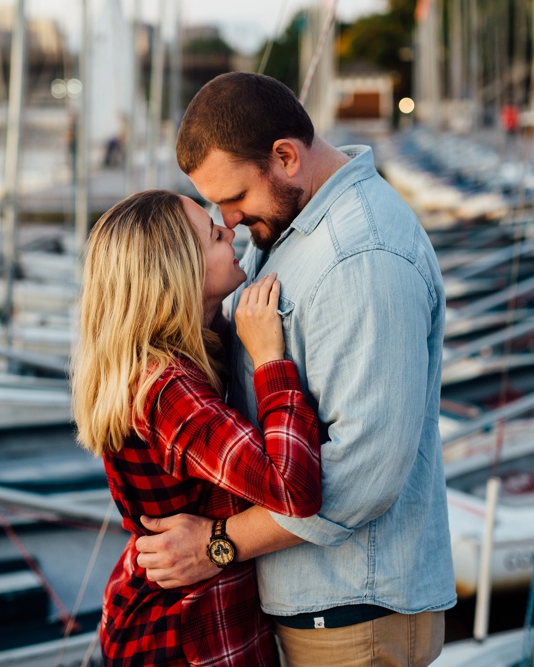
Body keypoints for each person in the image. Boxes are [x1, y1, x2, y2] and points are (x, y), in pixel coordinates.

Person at [135, 72, 456, 666]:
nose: (226, 221)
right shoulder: (287, 227)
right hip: (318, 600)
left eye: (233, 198)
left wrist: (216, 546)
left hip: (355, 610)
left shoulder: (363, 256)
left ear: (285, 157)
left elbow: (363, 473)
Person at [71, 189, 323, 666]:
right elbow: (294, 490)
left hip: (184, 621)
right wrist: (270, 359)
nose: (230, 230)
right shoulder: (167, 392)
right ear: (179, 270)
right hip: (187, 637)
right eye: (213, 233)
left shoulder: (193, 355)